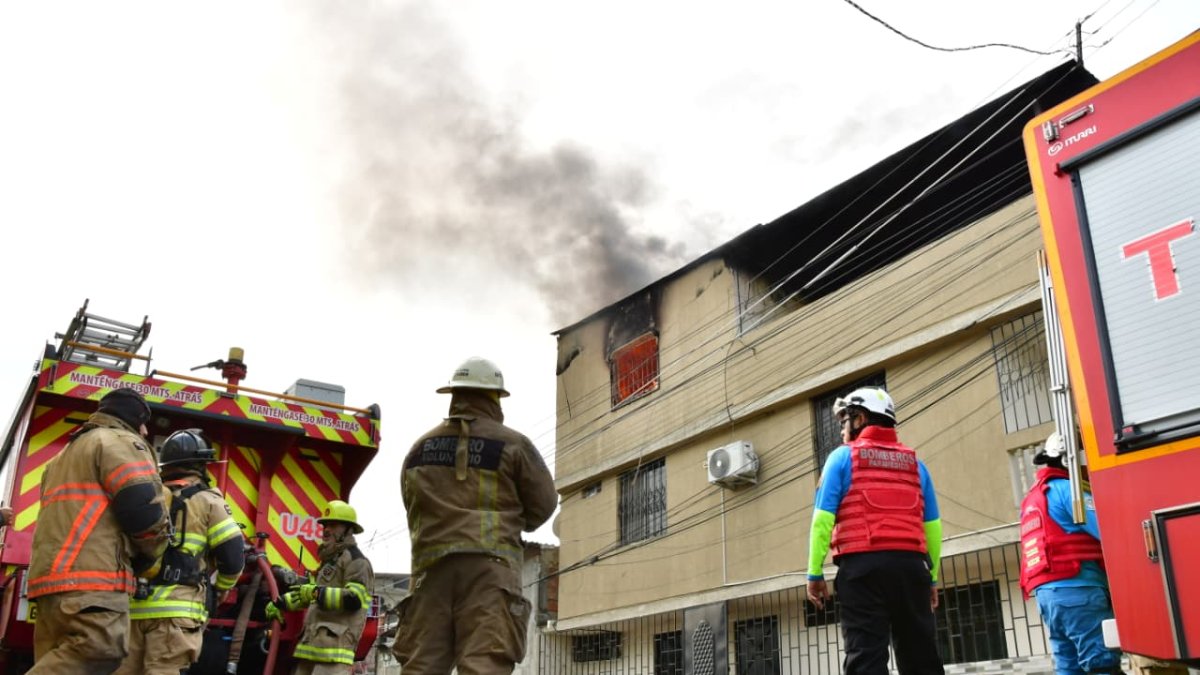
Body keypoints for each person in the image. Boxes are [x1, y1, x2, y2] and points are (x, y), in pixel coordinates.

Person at [392, 357, 558, 675]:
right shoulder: (514, 444)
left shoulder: (419, 449)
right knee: (484, 664)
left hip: (430, 573)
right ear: (495, 398)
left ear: (453, 395)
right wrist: (512, 523)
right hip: (490, 572)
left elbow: (413, 506)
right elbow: (544, 504)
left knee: (421, 666)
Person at [28, 387, 170, 675]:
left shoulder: (62, 456)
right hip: (92, 578)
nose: (145, 431)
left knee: (60, 661)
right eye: (143, 422)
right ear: (131, 418)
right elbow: (142, 507)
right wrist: (151, 554)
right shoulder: (119, 441)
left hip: (50, 580)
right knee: (101, 648)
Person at [806, 387, 944, 675]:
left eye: (845, 421)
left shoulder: (841, 458)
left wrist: (815, 573)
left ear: (860, 419)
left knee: (866, 659)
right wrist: (931, 578)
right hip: (912, 570)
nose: (842, 429)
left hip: (862, 571)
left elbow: (822, 520)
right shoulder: (917, 466)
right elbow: (932, 527)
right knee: (922, 659)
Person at [115, 428, 246, 675]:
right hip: (176, 616)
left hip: (131, 610)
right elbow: (232, 558)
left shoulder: (146, 498)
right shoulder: (208, 501)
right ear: (202, 465)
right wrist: (221, 589)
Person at [1020, 431, 1122, 675]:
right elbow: (1109, 532)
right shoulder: (1069, 492)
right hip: (1079, 592)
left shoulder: (1033, 499)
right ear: (1071, 460)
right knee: (1101, 664)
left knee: (1069, 667)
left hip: (1047, 598)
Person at [265, 500, 374, 674]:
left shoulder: (357, 561)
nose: (326, 529)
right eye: (325, 525)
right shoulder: (330, 561)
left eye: (333, 525)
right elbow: (310, 597)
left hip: (334, 655)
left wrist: (316, 593)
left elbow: (355, 599)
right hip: (311, 650)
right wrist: (280, 604)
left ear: (348, 530)